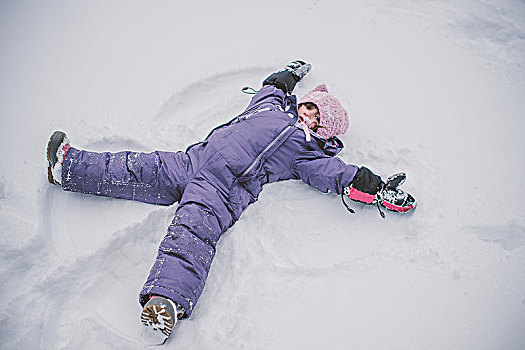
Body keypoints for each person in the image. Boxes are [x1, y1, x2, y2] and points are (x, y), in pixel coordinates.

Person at [45, 60, 416, 345]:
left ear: (324, 132)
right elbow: (273, 87)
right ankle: (69, 167)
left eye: (317, 119)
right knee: (137, 167)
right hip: (193, 160)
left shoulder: (306, 151)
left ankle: (165, 303)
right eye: (308, 108)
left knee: (191, 234)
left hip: (223, 188)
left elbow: (336, 174)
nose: (307, 117)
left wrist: (374, 186)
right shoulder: (270, 107)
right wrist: (290, 73)